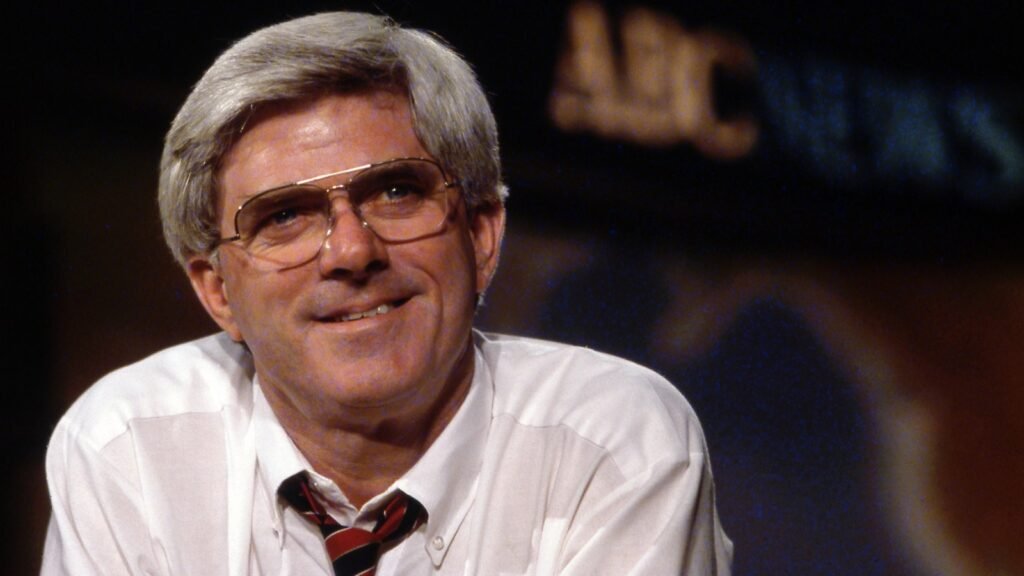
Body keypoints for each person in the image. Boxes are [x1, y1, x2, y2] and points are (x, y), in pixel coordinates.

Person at [41, 11, 732, 575]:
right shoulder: (128, 448)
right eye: (284, 217)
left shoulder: (615, 444)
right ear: (218, 291)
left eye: (397, 192)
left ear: (482, 234)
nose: (351, 251)